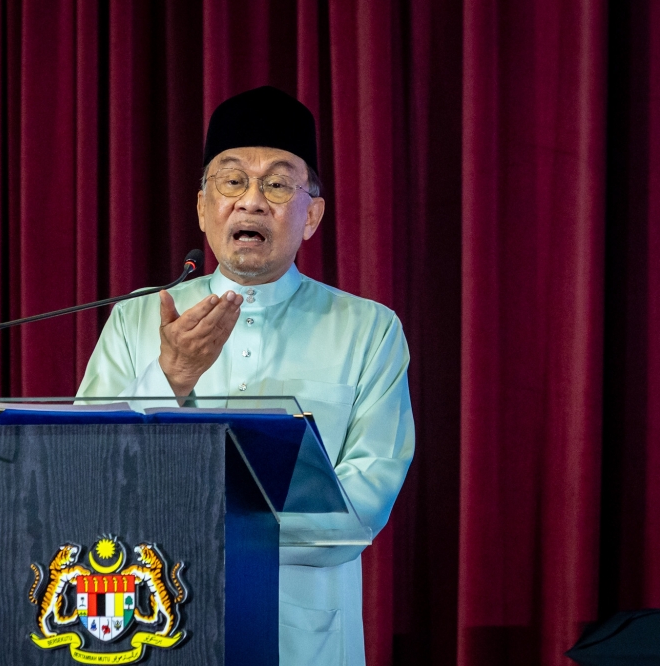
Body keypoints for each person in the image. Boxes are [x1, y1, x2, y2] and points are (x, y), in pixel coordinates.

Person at [77, 86, 414, 665]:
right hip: (157, 627)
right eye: (232, 181)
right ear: (205, 208)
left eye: (279, 184)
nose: (252, 201)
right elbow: (84, 475)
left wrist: (206, 533)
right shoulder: (137, 318)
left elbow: (362, 507)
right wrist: (171, 376)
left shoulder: (368, 329)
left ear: (312, 216)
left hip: (301, 634)